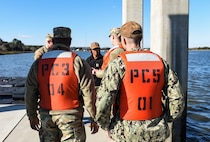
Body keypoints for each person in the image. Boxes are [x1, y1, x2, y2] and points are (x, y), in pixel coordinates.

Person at [95, 21, 185, 141]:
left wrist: (106, 125)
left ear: (124, 41)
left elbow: (104, 100)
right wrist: (166, 118)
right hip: (156, 130)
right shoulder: (159, 62)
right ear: (140, 39)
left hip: (126, 132)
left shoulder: (119, 64)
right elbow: (178, 98)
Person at [25, 27, 99, 142]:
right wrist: (93, 117)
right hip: (71, 117)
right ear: (69, 41)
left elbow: (30, 93)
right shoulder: (77, 61)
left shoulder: (38, 63)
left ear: (53, 41)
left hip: (47, 116)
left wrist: (32, 116)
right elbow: (88, 93)